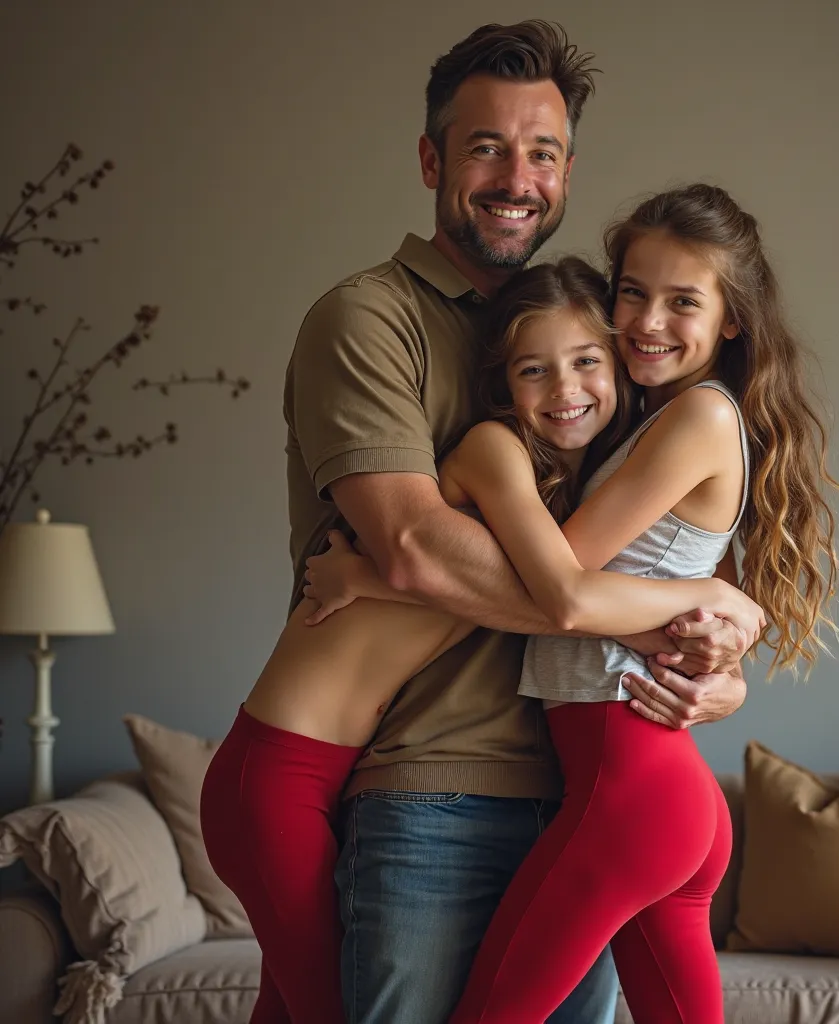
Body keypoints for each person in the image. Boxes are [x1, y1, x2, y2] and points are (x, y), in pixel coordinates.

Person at [223, 21, 750, 1024]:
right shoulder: (369, 318)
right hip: (431, 795)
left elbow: (640, 544)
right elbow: (419, 546)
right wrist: (667, 613)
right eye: (485, 147)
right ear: (431, 159)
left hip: (581, 791)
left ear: (566, 172)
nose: (517, 177)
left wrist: (718, 644)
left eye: (541, 152)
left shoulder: (596, 332)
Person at [391, 183, 839, 1024]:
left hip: (630, 787)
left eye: (684, 301)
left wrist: (388, 569)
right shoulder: (652, 415)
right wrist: (716, 611)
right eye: (633, 292)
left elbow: (561, 576)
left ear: (731, 320)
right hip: (658, 793)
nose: (648, 321)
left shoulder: (699, 417)